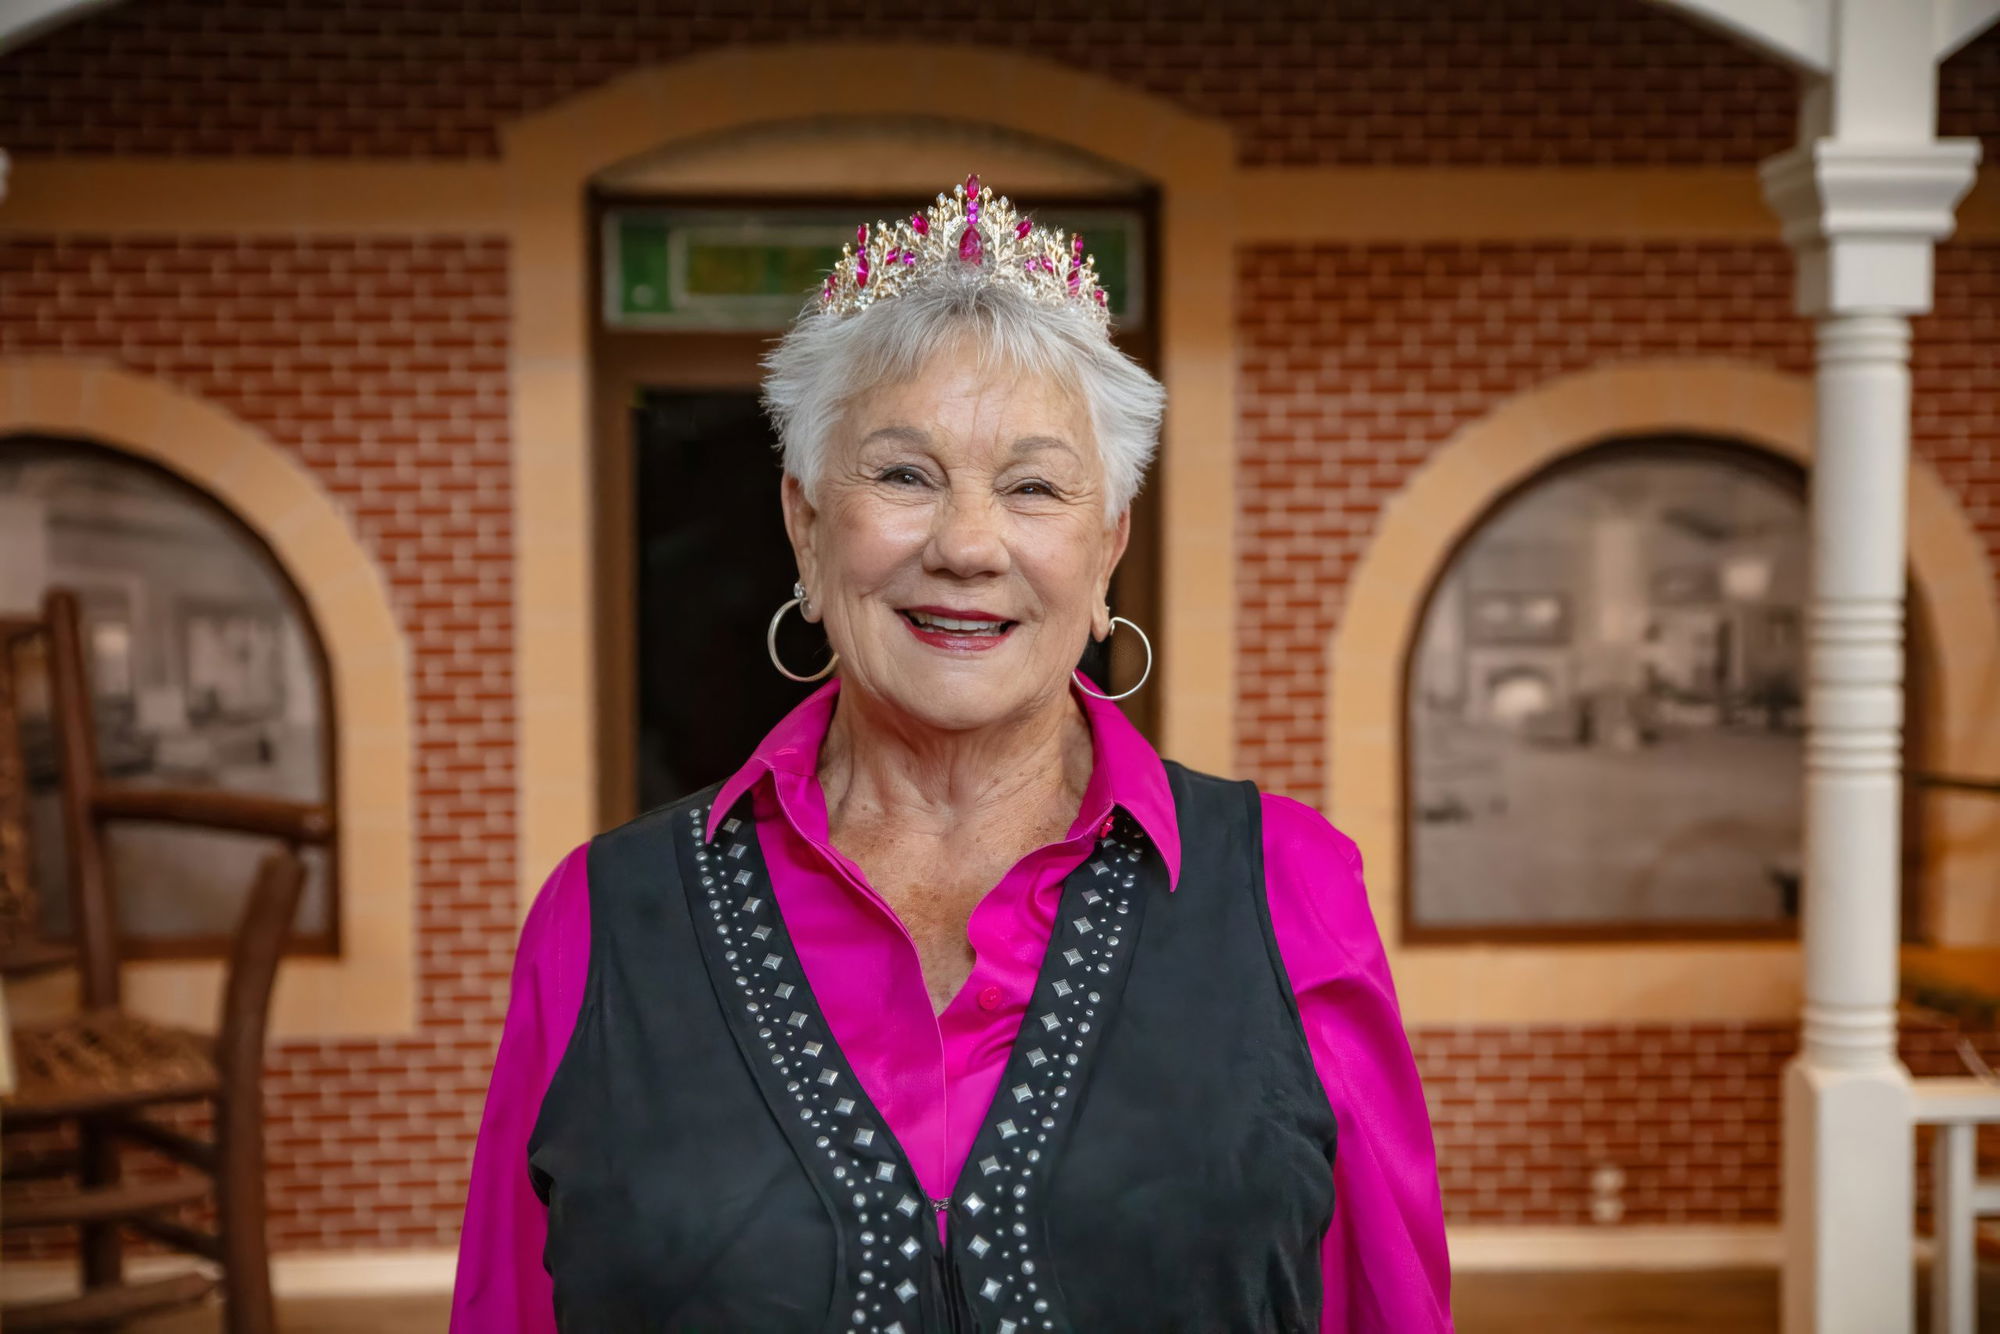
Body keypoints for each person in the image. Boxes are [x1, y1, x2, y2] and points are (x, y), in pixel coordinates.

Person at [452, 176, 1453, 1333]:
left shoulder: (1289, 884)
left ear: (1106, 546)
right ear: (806, 526)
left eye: (1032, 486)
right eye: (902, 475)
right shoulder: (601, 915)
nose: (968, 544)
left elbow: (1386, 1307)